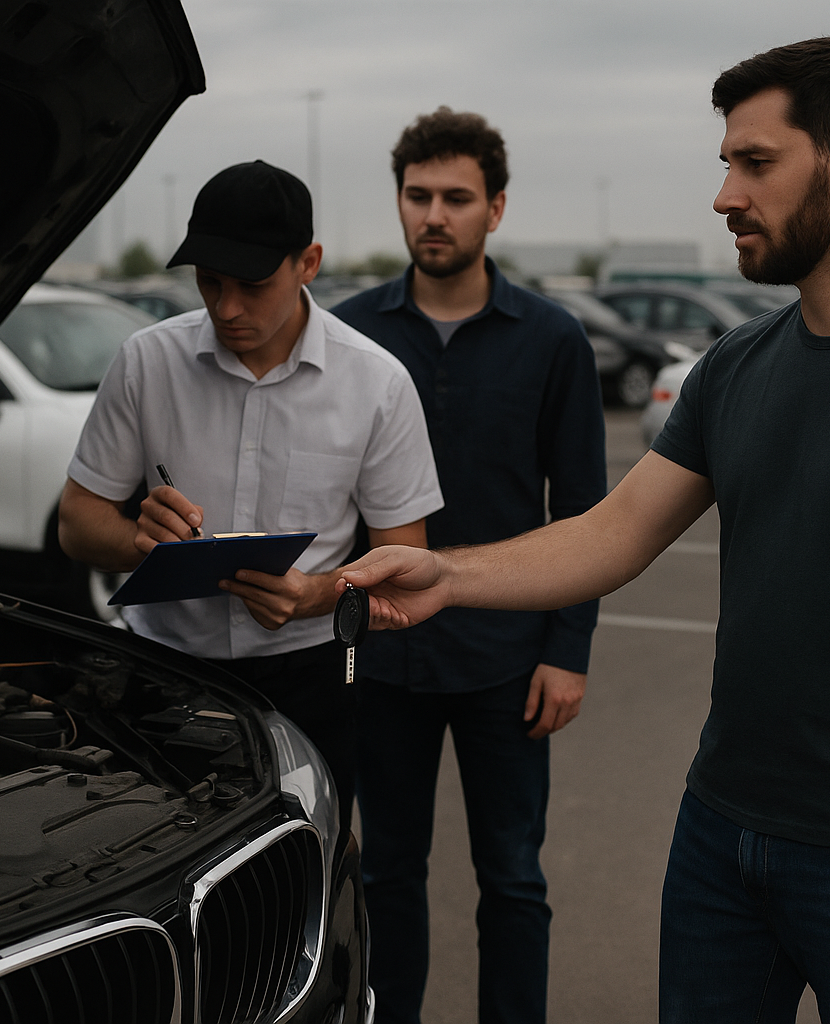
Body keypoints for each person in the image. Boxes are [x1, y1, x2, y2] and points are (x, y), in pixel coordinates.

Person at [338, 39, 830, 1022]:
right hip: (721, 836)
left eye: (755, 163)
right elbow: (617, 530)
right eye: (726, 163)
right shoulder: (736, 363)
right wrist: (447, 576)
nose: (725, 195)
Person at [58, 160, 443, 834]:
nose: (227, 307)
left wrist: (318, 596)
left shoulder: (378, 383)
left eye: (252, 285)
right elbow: (77, 525)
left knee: (303, 870)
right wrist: (138, 541)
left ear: (309, 263)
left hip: (312, 679)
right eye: (210, 282)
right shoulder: (147, 361)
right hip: (161, 671)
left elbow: (406, 561)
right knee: (150, 872)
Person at [330, 109, 607, 1024]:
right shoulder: (351, 335)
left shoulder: (554, 338)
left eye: (456, 197)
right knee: (385, 873)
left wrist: (569, 650)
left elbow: (583, 511)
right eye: (418, 196)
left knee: (514, 881)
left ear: (496, 208)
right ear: (400, 204)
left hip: (509, 662)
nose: (434, 215)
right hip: (384, 662)